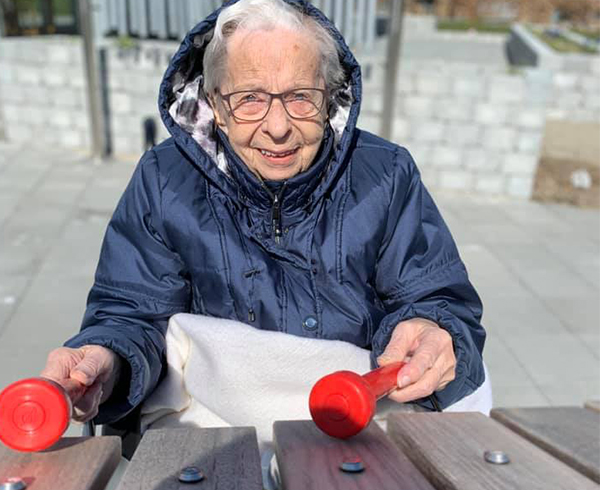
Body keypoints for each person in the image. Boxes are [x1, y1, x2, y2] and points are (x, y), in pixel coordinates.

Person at [40, 0, 486, 430]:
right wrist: (106, 359)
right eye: (250, 98)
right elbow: (132, 314)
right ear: (215, 104)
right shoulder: (162, 180)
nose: (277, 127)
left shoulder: (386, 174)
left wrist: (433, 331)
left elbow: (436, 299)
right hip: (210, 432)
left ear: (331, 98)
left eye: (300, 97)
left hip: (357, 422)